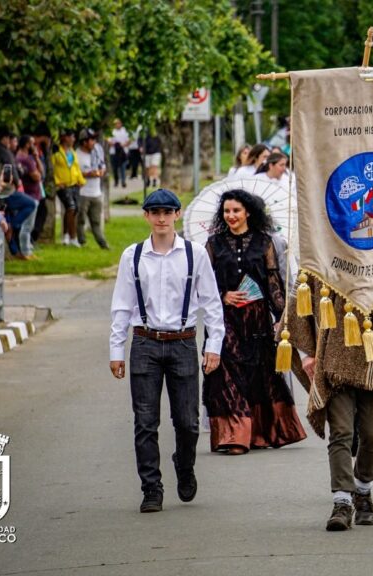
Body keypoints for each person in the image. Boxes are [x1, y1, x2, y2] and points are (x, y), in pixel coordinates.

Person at [109, 189, 225, 513]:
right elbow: (122, 305)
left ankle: (184, 465)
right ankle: (151, 488)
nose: (161, 217)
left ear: (177, 214)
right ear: (146, 216)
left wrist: (213, 346)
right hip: (145, 342)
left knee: (187, 422)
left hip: (183, 342)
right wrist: (116, 350)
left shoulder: (195, 254)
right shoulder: (132, 256)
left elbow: (212, 305)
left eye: (167, 211)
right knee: (145, 421)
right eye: (155, 211)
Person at [287, 278, 373, 531]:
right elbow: (300, 302)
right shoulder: (326, 249)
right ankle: (342, 502)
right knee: (341, 433)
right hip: (334, 357)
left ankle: (362, 491)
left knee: (372, 435)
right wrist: (307, 354)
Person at [203, 189, 306, 454]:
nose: (231, 216)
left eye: (236, 210)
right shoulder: (213, 244)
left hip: (257, 319)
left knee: (260, 374)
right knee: (227, 373)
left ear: (248, 211)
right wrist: (222, 295)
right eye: (226, 211)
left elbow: (273, 283)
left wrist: (282, 318)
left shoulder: (265, 242)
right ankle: (235, 436)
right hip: (224, 319)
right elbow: (204, 284)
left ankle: (258, 433)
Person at [76, 129, 109, 249]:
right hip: (83, 192)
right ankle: (81, 242)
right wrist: (89, 174)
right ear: (84, 142)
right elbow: (76, 173)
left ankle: (103, 244)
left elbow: (102, 165)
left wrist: (101, 171)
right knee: (80, 220)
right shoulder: (77, 155)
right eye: (91, 140)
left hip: (96, 192)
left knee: (96, 222)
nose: (94, 142)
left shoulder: (97, 151)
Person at [53, 129, 84, 246]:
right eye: (71, 137)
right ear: (65, 137)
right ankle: (73, 237)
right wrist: (57, 182)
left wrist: (81, 180)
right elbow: (53, 168)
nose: (73, 139)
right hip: (63, 185)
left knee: (74, 210)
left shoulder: (72, 152)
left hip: (74, 185)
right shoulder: (57, 152)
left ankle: (66, 235)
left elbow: (76, 168)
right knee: (70, 207)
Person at [108, 119, 130, 188]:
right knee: (115, 168)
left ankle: (123, 181)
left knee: (122, 167)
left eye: (119, 123)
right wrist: (115, 144)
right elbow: (109, 140)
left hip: (122, 152)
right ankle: (116, 181)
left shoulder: (124, 131)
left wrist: (123, 145)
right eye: (116, 124)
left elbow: (129, 140)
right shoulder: (112, 131)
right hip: (114, 152)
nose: (117, 125)